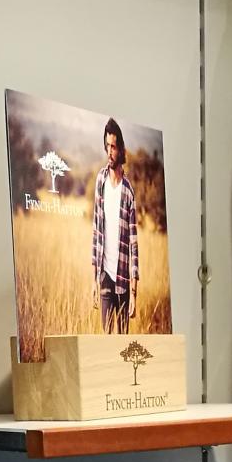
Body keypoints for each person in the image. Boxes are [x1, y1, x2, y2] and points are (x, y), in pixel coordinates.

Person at [90, 117, 138, 333]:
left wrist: (134, 293)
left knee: (123, 346)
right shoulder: (100, 181)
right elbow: (96, 232)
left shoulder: (128, 191)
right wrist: (94, 280)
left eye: (114, 147)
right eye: (107, 146)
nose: (109, 152)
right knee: (107, 340)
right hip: (105, 277)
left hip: (123, 280)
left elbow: (134, 245)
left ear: (121, 149)